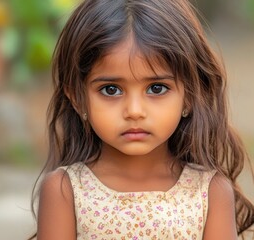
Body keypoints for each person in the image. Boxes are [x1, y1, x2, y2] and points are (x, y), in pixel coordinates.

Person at [30, 0, 254, 239]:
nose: (134, 111)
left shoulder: (210, 192)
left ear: (189, 95)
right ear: (77, 98)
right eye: (111, 90)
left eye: (156, 88)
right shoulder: (66, 191)